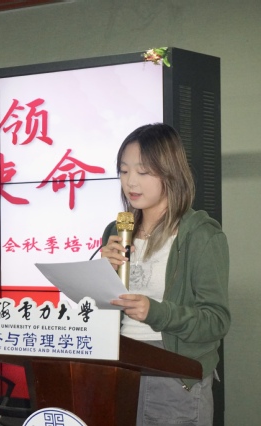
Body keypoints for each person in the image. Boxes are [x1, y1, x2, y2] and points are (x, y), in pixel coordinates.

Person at [100, 123, 230, 426]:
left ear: (170, 173)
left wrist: (156, 312)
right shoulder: (116, 230)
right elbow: (102, 309)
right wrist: (102, 274)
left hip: (174, 375)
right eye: (124, 171)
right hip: (120, 367)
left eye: (143, 172)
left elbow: (216, 321)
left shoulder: (201, 235)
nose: (131, 181)